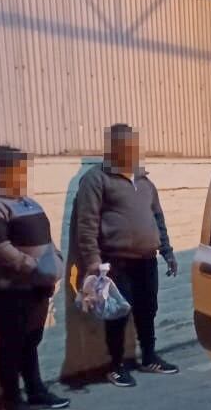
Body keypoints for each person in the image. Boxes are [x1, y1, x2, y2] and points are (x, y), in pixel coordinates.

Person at [73, 124, 178, 388]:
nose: (131, 151)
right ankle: (116, 365)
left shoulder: (145, 181)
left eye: (133, 146)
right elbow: (87, 223)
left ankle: (149, 357)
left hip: (147, 259)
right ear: (112, 149)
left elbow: (158, 218)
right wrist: (93, 261)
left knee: (148, 309)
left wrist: (167, 251)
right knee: (118, 313)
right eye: (124, 147)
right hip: (116, 260)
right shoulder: (96, 179)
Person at [0, 146, 68, 410]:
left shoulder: (28, 202)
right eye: (20, 170)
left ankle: (36, 391)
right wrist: (37, 271)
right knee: (12, 345)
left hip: (37, 287)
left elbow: (48, 243)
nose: (24, 176)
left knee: (31, 341)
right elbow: (1, 250)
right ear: (1, 173)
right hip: (10, 291)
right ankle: (12, 402)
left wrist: (56, 265)